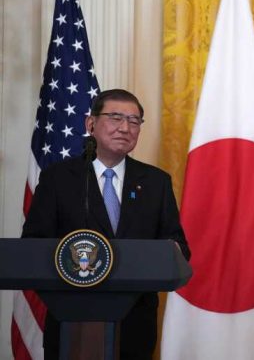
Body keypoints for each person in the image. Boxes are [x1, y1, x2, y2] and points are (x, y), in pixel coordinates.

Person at [22, 89, 190, 360]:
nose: (125, 128)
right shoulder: (58, 179)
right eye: (115, 117)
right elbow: (32, 245)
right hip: (71, 323)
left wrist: (170, 252)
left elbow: (179, 247)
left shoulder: (156, 182)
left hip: (134, 328)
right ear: (91, 124)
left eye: (134, 121)